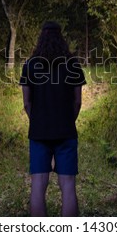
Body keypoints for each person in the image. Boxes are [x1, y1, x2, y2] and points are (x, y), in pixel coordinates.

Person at [20, 21, 86, 217]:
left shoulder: (30, 64)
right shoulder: (72, 63)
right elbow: (77, 102)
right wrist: (67, 120)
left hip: (39, 132)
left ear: (41, 38)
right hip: (66, 131)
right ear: (61, 38)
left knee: (38, 186)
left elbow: (26, 103)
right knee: (68, 187)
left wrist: (38, 120)